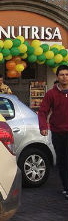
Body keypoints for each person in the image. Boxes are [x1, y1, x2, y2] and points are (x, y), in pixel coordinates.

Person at [37, 64, 68, 199]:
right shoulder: (51, 94)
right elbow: (42, 111)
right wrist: (43, 126)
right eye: (62, 75)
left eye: (67, 75)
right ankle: (66, 187)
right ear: (57, 77)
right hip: (58, 132)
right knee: (63, 161)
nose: (64, 77)